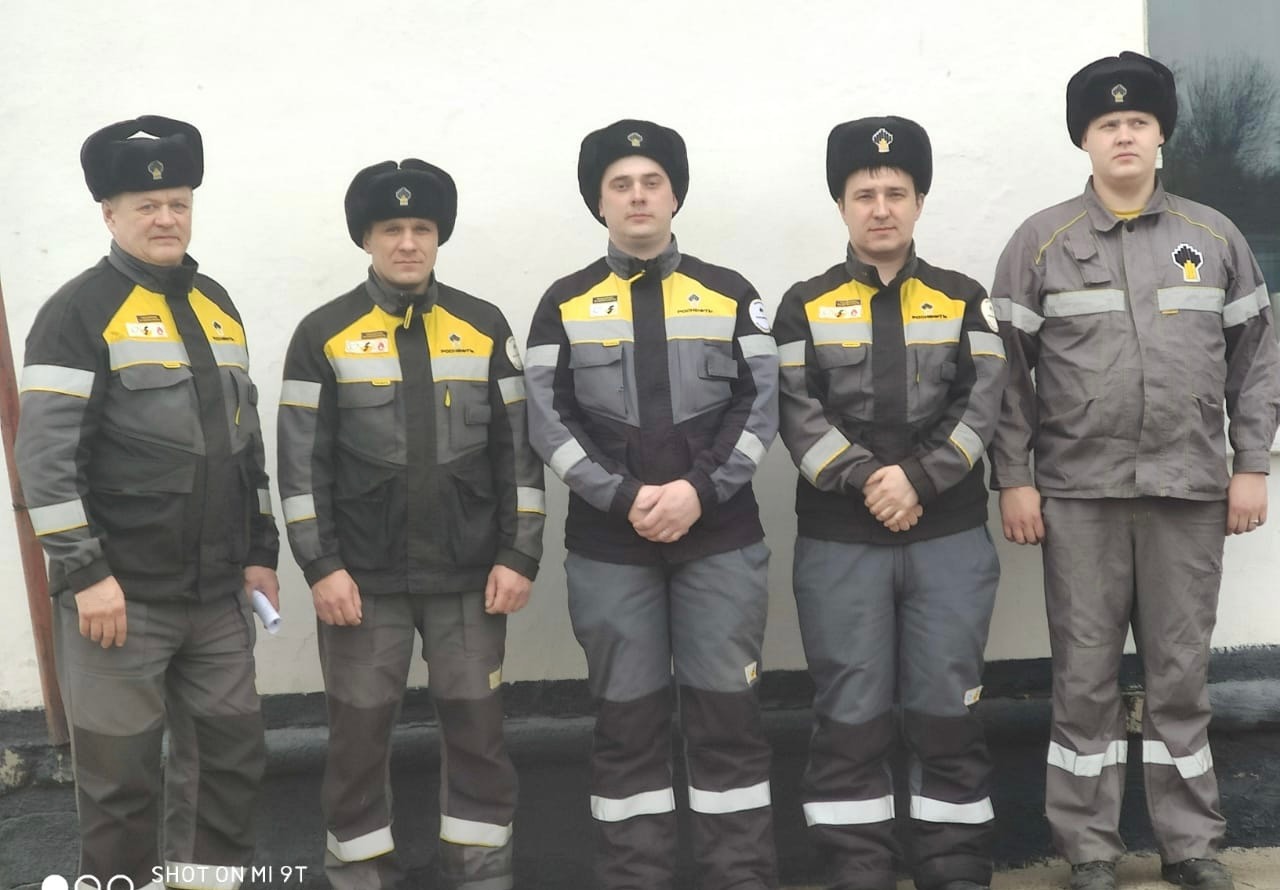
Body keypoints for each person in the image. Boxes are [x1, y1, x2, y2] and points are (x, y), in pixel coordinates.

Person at [990, 51, 1280, 890]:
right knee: (1083, 678)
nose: (1124, 135)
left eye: (1139, 122)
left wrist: (1251, 464)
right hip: (1078, 498)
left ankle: (1190, 845)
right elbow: (1004, 373)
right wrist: (1015, 478)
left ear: (1161, 136)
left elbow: (1257, 361)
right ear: (1084, 139)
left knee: (1180, 678)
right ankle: (1089, 848)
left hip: (1189, 494)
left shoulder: (1214, 238)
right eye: (1107, 123)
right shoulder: (1041, 242)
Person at [16, 116, 280, 889]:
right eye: (146, 205)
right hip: (119, 602)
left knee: (230, 767)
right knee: (121, 789)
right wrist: (87, 573)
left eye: (178, 203)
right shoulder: (77, 311)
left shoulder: (218, 304)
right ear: (110, 214)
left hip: (216, 599)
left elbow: (245, 448)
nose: (166, 218)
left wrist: (259, 553)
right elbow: (45, 462)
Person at [524, 119, 780, 890]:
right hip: (611, 549)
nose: (638, 196)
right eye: (620, 185)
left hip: (721, 540)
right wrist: (627, 497)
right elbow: (548, 420)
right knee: (626, 727)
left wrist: (699, 492)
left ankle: (739, 878)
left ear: (674, 196)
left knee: (728, 721)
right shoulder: (563, 303)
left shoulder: (732, 294)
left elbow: (761, 407)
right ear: (599, 202)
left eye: (652, 182)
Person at [277, 158, 544, 890]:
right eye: (390, 228)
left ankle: (480, 875)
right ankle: (362, 877)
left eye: (421, 228)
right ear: (365, 238)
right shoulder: (323, 333)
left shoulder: (484, 327)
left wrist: (519, 555)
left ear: (438, 236)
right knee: (357, 743)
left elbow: (518, 457)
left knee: (480, 736)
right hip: (362, 586)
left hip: (471, 580)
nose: (406, 242)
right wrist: (322, 567)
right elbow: (301, 468)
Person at [773, 117, 1008, 890]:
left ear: (919, 201)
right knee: (850, 713)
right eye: (864, 193)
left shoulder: (964, 299)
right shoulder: (802, 306)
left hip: (948, 539)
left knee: (948, 707)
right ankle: (857, 868)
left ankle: (954, 868)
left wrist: (920, 479)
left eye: (896, 192)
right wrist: (871, 482)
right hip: (841, 541)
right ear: (841, 205)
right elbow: (798, 413)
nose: (881, 208)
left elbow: (983, 404)